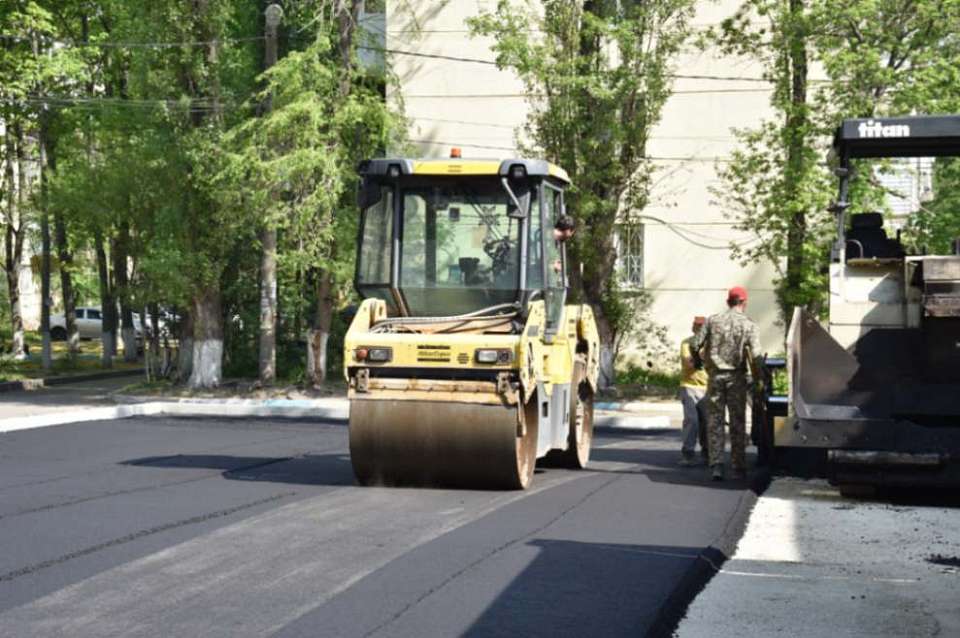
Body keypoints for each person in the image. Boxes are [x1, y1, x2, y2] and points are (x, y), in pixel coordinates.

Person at [694, 286, 762, 481]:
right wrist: (759, 379)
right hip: (737, 379)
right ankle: (738, 466)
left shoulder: (712, 320)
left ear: (728, 302)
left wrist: (699, 362)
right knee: (737, 421)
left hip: (715, 376)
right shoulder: (749, 325)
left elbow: (694, 344)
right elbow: (756, 356)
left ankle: (716, 465)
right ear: (744, 303)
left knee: (715, 420)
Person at [678, 316, 709, 466]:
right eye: (697, 326)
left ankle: (707, 453)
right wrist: (700, 355)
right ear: (693, 328)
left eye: (702, 327)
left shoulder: (712, 345)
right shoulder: (687, 343)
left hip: (707, 387)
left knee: (707, 422)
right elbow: (688, 364)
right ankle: (688, 454)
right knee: (692, 421)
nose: (699, 330)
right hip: (689, 386)